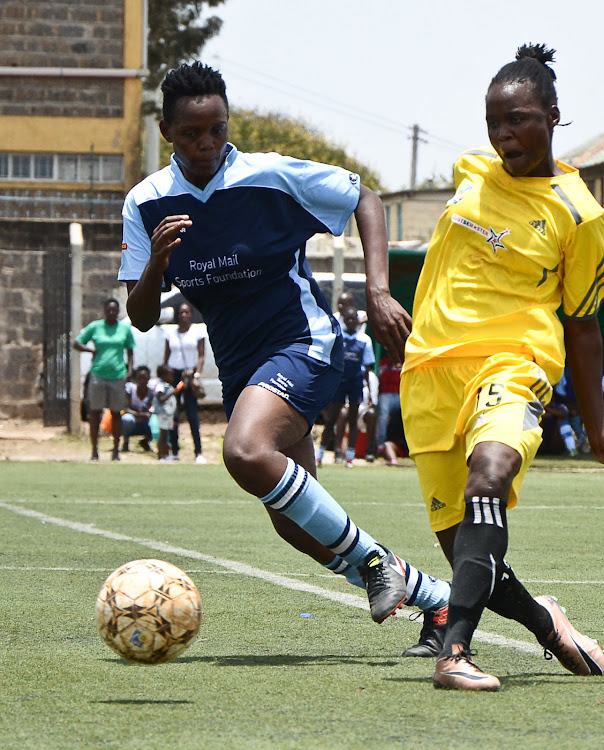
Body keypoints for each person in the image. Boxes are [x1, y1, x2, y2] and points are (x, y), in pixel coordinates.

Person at [119, 61, 450, 634]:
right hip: (245, 368)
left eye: (217, 128)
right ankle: (435, 598)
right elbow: (142, 317)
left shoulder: (269, 176)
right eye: (192, 133)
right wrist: (154, 266)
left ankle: (376, 564)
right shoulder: (145, 204)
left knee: (245, 452)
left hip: (305, 343)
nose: (207, 143)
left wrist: (377, 290)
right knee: (295, 523)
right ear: (168, 132)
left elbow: (364, 198)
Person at [400, 44, 604, 690]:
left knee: (490, 476)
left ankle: (452, 655)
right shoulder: (470, 173)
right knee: (464, 551)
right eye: (493, 123)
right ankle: (547, 623)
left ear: (551, 116)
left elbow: (584, 322)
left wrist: (598, 434)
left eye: (516, 119)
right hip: (429, 375)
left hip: (515, 363)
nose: (503, 135)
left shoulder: (579, 213)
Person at [73, 298, 135, 461]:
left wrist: (130, 370)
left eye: (114, 310)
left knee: (116, 413)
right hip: (98, 374)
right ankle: (94, 450)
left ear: (118, 311)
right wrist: (90, 350)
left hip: (117, 375)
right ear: (104, 311)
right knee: (95, 413)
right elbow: (77, 343)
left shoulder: (124, 329)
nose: (111, 313)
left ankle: (116, 450)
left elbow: (130, 350)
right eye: (109, 310)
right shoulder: (95, 327)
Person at [317, 306, 375, 468]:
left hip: (355, 382)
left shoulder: (364, 340)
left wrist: (370, 393)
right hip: (340, 382)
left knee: (353, 419)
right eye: (347, 319)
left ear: (357, 321)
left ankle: (349, 456)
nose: (350, 322)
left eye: (353, 319)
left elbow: (367, 369)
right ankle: (320, 455)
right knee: (331, 419)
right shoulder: (338, 337)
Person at [164, 301, 207, 463]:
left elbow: (201, 354)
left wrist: (197, 375)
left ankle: (198, 452)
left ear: (191, 314)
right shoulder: (171, 333)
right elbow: (166, 355)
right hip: (174, 375)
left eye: (186, 312)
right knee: (173, 414)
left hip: (189, 374)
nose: (184, 316)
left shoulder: (197, 331)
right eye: (181, 313)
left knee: (192, 413)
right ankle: (173, 450)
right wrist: (166, 379)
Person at [121, 364, 154, 452]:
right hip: (132, 420)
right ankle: (126, 442)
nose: (142, 381)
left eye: (145, 378)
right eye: (140, 378)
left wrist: (148, 414)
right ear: (136, 378)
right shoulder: (130, 389)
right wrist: (139, 414)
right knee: (127, 419)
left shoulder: (151, 392)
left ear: (149, 379)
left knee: (155, 421)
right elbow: (126, 408)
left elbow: (152, 408)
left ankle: (146, 441)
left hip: (145, 421)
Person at [375, 357, 402, 458]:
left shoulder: (406, 361)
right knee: (383, 416)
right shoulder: (383, 362)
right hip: (385, 393)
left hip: (401, 393)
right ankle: (381, 445)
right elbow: (378, 378)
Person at [153, 364, 178, 462]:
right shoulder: (160, 386)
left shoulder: (167, 385)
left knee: (166, 435)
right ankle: (161, 455)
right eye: (170, 375)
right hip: (163, 413)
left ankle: (167, 454)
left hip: (168, 414)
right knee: (163, 436)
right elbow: (161, 399)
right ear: (163, 375)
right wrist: (172, 393)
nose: (172, 377)